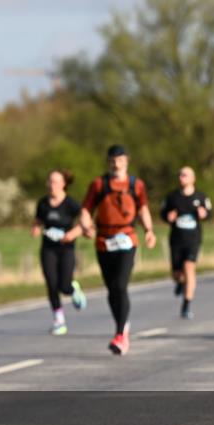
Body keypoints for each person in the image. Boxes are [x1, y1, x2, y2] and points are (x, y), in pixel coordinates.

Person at [79, 144, 156, 355]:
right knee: (112, 288)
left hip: (127, 238)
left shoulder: (136, 185)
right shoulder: (98, 184)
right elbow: (86, 209)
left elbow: (143, 210)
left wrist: (149, 230)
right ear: (108, 162)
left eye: (120, 160)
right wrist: (86, 225)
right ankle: (122, 326)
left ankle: (120, 334)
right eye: (112, 160)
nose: (116, 164)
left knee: (121, 285)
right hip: (104, 240)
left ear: (127, 161)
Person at [31, 169, 87, 335]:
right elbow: (38, 220)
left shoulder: (71, 203)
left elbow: (84, 222)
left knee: (64, 286)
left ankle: (73, 289)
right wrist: (35, 228)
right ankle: (59, 320)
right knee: (51, 283)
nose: (51, 185)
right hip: (48, 248)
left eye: (55, 182)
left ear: (63, 184)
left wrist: (73, 233)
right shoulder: (43, 203)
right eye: (50, 181)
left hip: (66, 249)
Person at [160, 167, 211, 319]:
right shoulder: (172, 197)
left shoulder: (200, 197)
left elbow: (209, 212)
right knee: (176, 274)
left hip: (193, 239)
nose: (182, 177)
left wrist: (204, 214)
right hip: (176, 239)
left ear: (192, 178)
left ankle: (186, 305)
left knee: (189, 268)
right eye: (180, 175)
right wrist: (167, 216)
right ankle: (180, 283)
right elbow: (163, 213)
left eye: (185, 175)